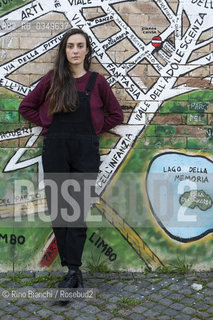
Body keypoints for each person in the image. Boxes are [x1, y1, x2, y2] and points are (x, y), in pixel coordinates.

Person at [18, 28, 123, 290]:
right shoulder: (53, 79)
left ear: (87, 50)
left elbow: (116, 115)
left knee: (76, 213)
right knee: (59, 210)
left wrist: (95, 127)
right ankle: (71, 269)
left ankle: (74, 270)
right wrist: (47, 123)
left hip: (86, 151)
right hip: (56, 149)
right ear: (64, 51)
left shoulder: (97, 82)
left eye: (80, 46)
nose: (75, 51)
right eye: (70, 46)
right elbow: (26, 107)